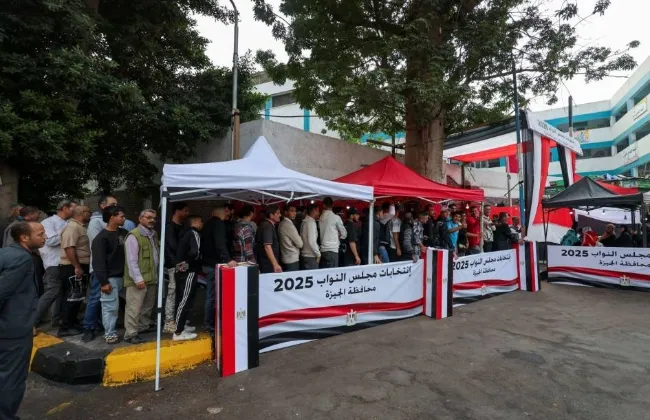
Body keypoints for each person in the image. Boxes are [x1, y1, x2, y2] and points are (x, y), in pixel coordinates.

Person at [0, 221, 46, 420]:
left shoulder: (6, 253)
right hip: (13, 330)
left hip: (9, 327)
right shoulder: (22, 259)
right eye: (40, 234)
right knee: (12, 378)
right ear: (24, 238)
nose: (45, 237)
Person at [82, 194, 118, 342]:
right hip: (100, 269)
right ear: (103, 206)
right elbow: (99, 247)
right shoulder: (95, 223)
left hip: (114, 269)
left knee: (109, 300)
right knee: (96, 297)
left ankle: (102, 324)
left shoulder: (116, 223)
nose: (116, 207)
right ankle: (88, 327)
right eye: (113, 204)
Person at [91, 205, 128, 344]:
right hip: (111, 278)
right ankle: (110, 334)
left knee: (129, 305)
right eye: (121, 216)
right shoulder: (101, 238)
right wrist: (104, 282)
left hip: (126, 277)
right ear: (112, 217)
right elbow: (98, 262)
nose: (124, 218)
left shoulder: (124, 233)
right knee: (110, 307)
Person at [36, 200, 75, 328]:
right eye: (73, 208)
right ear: (65, 208)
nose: (75, 211)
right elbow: (50, 241)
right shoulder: (48, 222)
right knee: (52, 292)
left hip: (66, 262)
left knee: (63, 293)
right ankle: (31, 320)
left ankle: (57, 319)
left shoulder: (68, 223)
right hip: (53, 263)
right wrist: (67, 233)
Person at [123, 209, 159, 344]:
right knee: (134, 307)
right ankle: (130, 334)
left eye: (153, 218)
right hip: (138, 279)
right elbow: (131, 260)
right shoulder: (134, 235)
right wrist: (138, 279)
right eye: (148, 217)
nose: (152, 220)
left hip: (151, 276)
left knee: (148, 305)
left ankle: (143, 326)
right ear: (140, 219)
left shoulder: (153, 234)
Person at [57, 205, 91, 337]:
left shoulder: (80, 226)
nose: (90, 214)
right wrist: (77, 267)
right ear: (82, 213)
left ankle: (72, 322)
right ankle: (65, 327)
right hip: (72, 267)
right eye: (88, 212)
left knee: (77, 297)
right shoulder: (72, 227)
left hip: (79, 265)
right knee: (72, 297)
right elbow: (69, 248)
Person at [201, 205, 236, 333]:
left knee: (211, 294)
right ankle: (209, 323)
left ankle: (209, 322)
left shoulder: (207, 224)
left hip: (206, 263)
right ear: (224, 212)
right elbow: (220, 243)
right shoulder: (219, 224)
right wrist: (228, 259)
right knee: (213, 295)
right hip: (214, 264)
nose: (228, 215)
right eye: (227, 212)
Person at [173, 215, 204, 341]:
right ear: (195, 221)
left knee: (182, 298)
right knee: (185, 299)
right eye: (201, 221)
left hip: (181, 270)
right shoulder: (193, 233)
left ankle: (181, 325)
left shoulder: (184, 233)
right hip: (189, 270)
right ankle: (178, 332)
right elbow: (195, 252)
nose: (202, 223)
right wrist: (188, 262)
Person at [162, 202, 189, 334]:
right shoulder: (169, 227)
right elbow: (173, 246)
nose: (187, 213)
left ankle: (179, 320)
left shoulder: (183, 227)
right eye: (185, 210)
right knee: (173, 293)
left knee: (181, 293)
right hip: (174, 265)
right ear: (177, 211)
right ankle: (169, 322)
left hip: (182, 265)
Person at [318, 197, 346, 268]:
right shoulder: (336, 217)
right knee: (332, 273)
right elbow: (344, 234)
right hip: (332, 250)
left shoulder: (320, 217)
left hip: (322, 250)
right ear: (333, 205)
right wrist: (338, 236)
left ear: (323, 205)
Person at [256, 205, 282, 273]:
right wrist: (275, 264)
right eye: (277, 213)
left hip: (265, 263)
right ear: (271, 215)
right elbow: (267, 246)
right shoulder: (267, 226)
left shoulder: (264, 224)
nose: (280, 215)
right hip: (268, 264)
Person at [278, 205, 303, 272]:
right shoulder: (288, 225)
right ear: (286, 212)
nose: (294, 213)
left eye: (295, 211)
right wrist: (295, 242)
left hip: (286, 257)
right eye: (292, 211)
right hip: (292, 259)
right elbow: (300, 244)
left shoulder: (282, 223)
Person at [300, 204, 321, 270]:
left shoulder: (304, 221)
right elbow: (312, 241)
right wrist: (318, 254)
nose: (319, 213)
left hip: (304, 255)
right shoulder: (311, 222)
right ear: (314, 211)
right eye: (318, 211)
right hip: (311, 256)